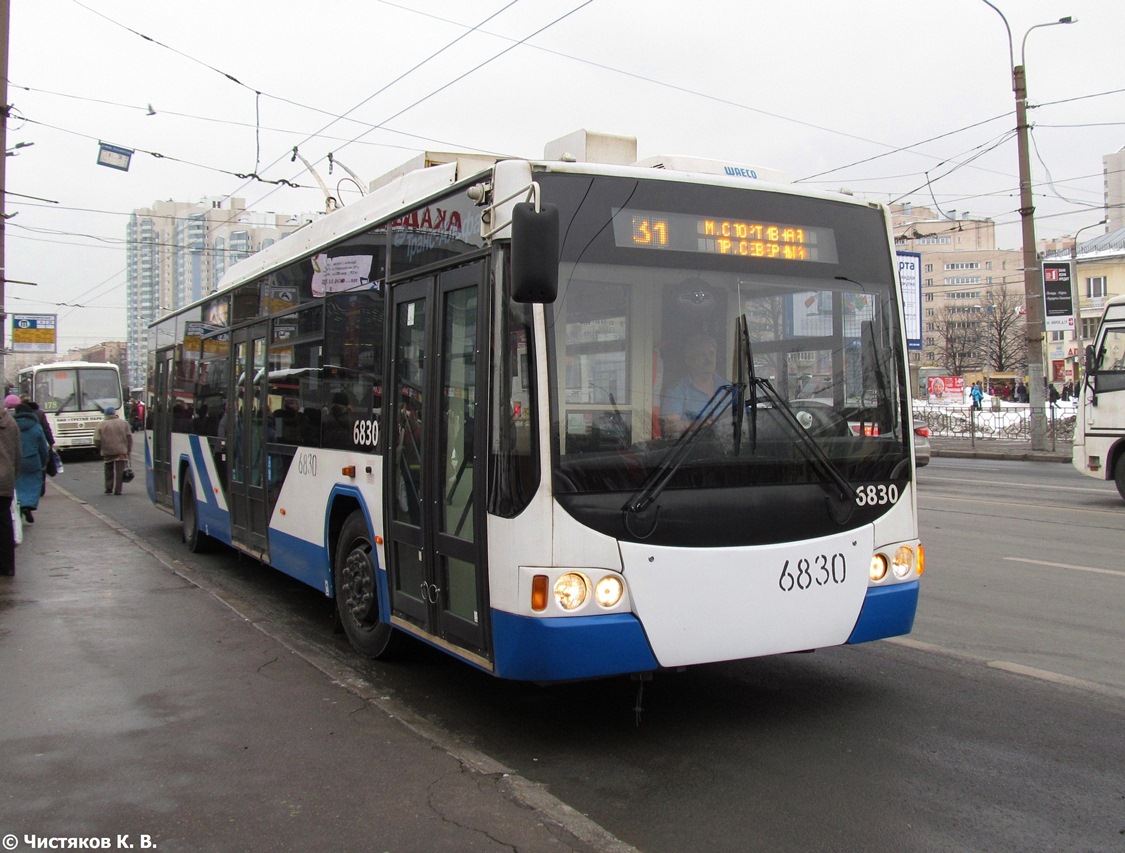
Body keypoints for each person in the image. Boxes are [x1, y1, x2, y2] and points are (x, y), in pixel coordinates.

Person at [663, 333, 731, 436]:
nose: (708, 359)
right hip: (691, 450)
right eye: (702, 355)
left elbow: (743, 422)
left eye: (712, 354)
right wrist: (697, 425)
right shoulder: (676, 390)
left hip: (728, 449)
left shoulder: (729, 389)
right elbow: (670, 427)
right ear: (689, 361)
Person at [13, 402, 49, 524]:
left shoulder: (12, 426)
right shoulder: (36, 427)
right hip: (33, 460)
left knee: (18, 485)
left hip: (16, 460)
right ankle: (28, 505)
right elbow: (43, 447)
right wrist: (44, 462)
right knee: (33, 484)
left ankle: (20, 504)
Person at [0, 401, 21, 576]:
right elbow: (17, 452)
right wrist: (13, 475)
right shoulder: (10, 422)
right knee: (5, 523)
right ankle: (7, 566)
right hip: (5, 478)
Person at [94, 406, 133, 496]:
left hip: (107, 451)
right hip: (121, 451)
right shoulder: (123, 423)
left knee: (108, 470)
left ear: (106, 414)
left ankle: (108, 488)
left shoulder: (101, 425)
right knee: (120, 471)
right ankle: (118, 490)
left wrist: (100, 447)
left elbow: (97, 440)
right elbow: (129, 437)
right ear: (114, 413)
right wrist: (128, 450)